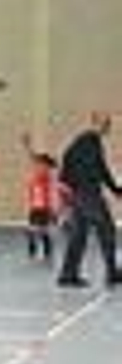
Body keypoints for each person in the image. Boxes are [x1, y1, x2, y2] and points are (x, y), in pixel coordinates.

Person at [56, 112, 121, 287]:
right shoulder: (90, 141)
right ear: (95, 123)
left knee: (78, 235)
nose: (107, 127)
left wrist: (66, 182)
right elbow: (99, 168)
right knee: (107, 230)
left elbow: (68, 158)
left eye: (108, 124)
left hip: (79, 194)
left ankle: (68, 274)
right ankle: (112, 273)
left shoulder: (84, 141)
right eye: (104, 123)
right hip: (88, 194)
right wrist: (113, 189)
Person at [20, 134, 60, 263]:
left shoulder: (47, 175)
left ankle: (47, 254)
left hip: (45, 207)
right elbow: (33, 157)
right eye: (38, 164)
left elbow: (51, 165)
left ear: (47, 166)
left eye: (42, 164)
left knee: (44, 231)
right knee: (31, 230)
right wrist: (27, 146)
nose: (39, 166)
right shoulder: (36, 175)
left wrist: (54, 209)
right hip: (34, 207)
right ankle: (32, 253)